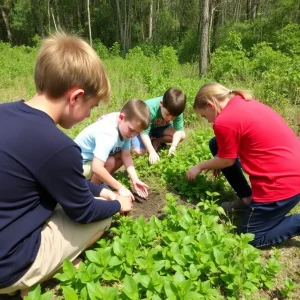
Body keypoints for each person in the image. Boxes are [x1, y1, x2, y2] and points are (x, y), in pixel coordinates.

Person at [0, 32, 133, 297]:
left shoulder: (4, 111)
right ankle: (42, 273)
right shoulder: (59, 146)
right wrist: (118, 203)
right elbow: (83, 212)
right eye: (92, 107)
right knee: (102, 219)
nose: (89, 116)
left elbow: (47, 175)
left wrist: (97, 189)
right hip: (8, 266)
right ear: (76, 97)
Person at [186, 82, 300, 247]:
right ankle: (247, 199)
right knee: (216, 144)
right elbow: (238, 146)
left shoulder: (224, 121)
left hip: (282, 183)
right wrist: (220, 158)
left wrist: (200, 165)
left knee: (250, 236)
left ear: (211, 105)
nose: (208, 121)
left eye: (204, 116)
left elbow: (227, 160)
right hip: (292, 166)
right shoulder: (242, 101)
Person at [75, 99, 150, 200]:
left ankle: (96, 184)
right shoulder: (109, 133)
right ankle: (92, 192)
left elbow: (126, 155)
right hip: (77, 167)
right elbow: (97, 167)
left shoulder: (124, 125)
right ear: (121, 117)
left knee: (120, 156)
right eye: (132, 130)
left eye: (137, 133)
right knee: (110, 162)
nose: (133, 135)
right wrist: (120, 187)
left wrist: (135, 179)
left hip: (90, 161)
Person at [131, 88, 186, 164]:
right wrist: (151, 152)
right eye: (167, 114)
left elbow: (178, 131)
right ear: (161, 103)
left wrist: (173, 146)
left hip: (159, 127)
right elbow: (144, 133)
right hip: (142, 128)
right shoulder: (149, 109)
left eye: (173, 117)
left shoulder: (176, 109)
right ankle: (125, 146)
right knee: (140, 152)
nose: (169, 118)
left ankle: (156, 141)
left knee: (182, 135)